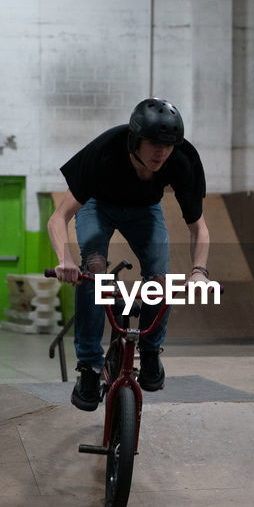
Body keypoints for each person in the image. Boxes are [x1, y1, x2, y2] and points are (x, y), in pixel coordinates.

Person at [47, 98, 211, 412]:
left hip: (145, 211)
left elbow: (199, 229)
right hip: (97, 205)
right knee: (93, 273)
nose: (161, 153)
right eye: (153, 144)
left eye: (168, 145)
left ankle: (150, 352)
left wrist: (199, 271)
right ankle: (90, 368)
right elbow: (58, 218)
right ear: (136, 140)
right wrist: (64, 260)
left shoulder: (182, 160)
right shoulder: (104, 151)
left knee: (160, 280)